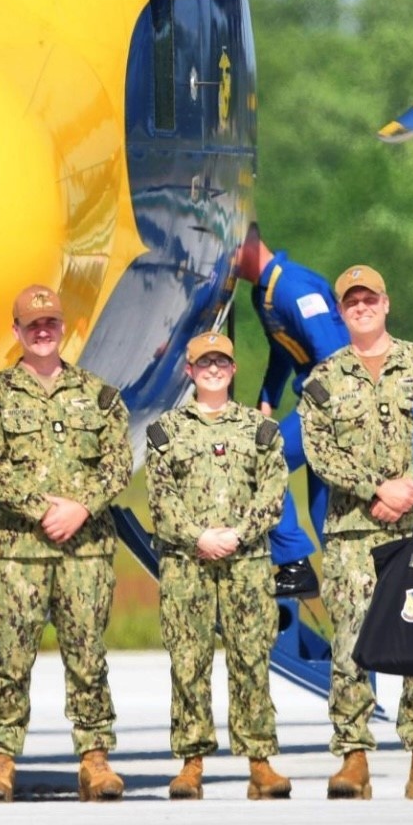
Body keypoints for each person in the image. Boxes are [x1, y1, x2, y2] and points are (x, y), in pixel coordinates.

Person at [0, 284, 133, 803]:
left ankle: (94, 758)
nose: (42, 331)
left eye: (51, 323)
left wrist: (80, 506)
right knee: (9, 659)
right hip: (17, 554)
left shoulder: (100, 397)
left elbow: (119, 462)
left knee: (87, 655)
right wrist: (44, 509)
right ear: (16, 332)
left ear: (64, 329)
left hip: (83, 551)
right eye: (32, 324)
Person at [299, 265, 413, 800]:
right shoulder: (323, 379)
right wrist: (376, 488)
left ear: (386, 304)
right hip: (352, 531)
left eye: (370, 299)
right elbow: (320, 452)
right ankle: (353, 757)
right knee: (350, 642)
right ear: (342, 312)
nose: (362, 308)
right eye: (352, 302)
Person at [145, 331, 292, 801]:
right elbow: (161, 500)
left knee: (251, 659)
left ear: (233, 370)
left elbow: (273, 494)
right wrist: (199, 537)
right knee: (189, 661)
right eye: (204, 363)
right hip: (188, 562)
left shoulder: (259, 431)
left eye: (221, 363)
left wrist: (238, 535)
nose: (213, 370)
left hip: (246, 561)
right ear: (189, 371)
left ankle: (260, 761)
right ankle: (190, 763)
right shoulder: (166, 433)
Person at [236, 222, 350, 597]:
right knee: (323, 513)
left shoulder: (291, 287)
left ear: (248, 243)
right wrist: (267, 396)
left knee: (262, 458)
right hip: (318, 401)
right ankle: (346, 590)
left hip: (331, 404)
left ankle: (296, 563)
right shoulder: (263, 292)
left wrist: (320, 416)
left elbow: (334, 356)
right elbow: (283, 350)